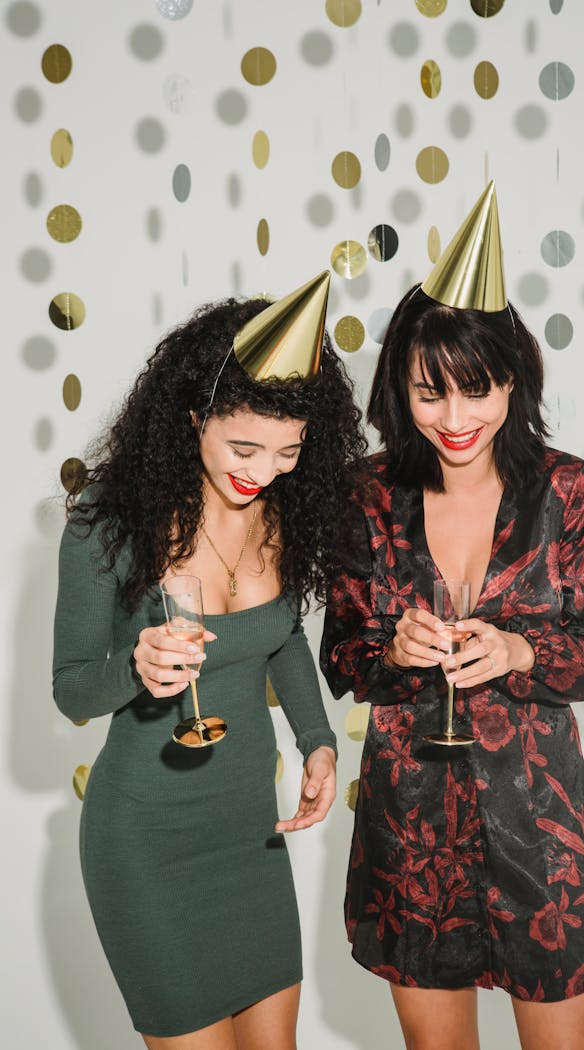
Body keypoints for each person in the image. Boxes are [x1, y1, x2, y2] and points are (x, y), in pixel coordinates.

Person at [320, 184, 584, 1050]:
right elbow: (341, 657)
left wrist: (522, 650)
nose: (456, 419)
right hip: (410, 826)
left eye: (479, 390)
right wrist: (396, 651)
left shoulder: (564, 489)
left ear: (513, 378)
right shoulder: (368, 497)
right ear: (399, 388)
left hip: (539, 825)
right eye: (430, 394)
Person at [52, 271, 366, 1050]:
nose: (263, 470)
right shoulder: (108, 526)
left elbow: (283, 637)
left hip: (249, 837)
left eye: (289, 452)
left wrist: (317, 740)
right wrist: (136, 664)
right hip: (147, 841)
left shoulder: (279, 516)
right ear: (194, 417)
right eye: (244, 445)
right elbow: (69, 691)